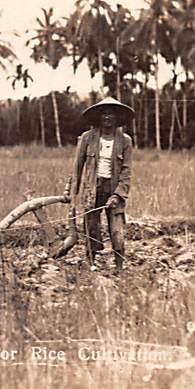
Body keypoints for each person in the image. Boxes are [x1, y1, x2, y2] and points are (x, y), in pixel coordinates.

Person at [66, 97, 134, 270]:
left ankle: (119, 266)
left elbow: (126, 171)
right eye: (104, 113)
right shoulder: (87, 138)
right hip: (92, 188)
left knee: (116, 229)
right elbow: (77, 167)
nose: (107, 117)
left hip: (113, 189)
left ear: (117, 117)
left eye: (111, 114)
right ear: (98, 117)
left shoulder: (125, 141)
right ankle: (91, 261)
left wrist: (118, 195)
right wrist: (72, 191)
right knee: (91, 226)